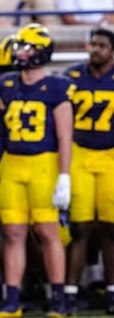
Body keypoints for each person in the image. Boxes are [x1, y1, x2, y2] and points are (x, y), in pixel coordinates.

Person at [0, 23, 74, 317]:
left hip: (44, 164)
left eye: (26, 46)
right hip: (13, 163)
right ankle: (12, 300)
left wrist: (64, 175)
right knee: (12, 232)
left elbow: (65, 135)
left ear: (41, 52)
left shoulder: (58, 86)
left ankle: (58, 299)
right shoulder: (7, 84)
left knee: (48, 232)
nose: (19, 51)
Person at [62, 28, 114, 315]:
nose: (95, 49)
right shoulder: (71, 77)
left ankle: (111, 291)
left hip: (110, 156)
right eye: (92, 44)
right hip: (79, 154)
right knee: (80, 227)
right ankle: (70, 291)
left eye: (102, 45)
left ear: (112, 50)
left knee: (111, 228)